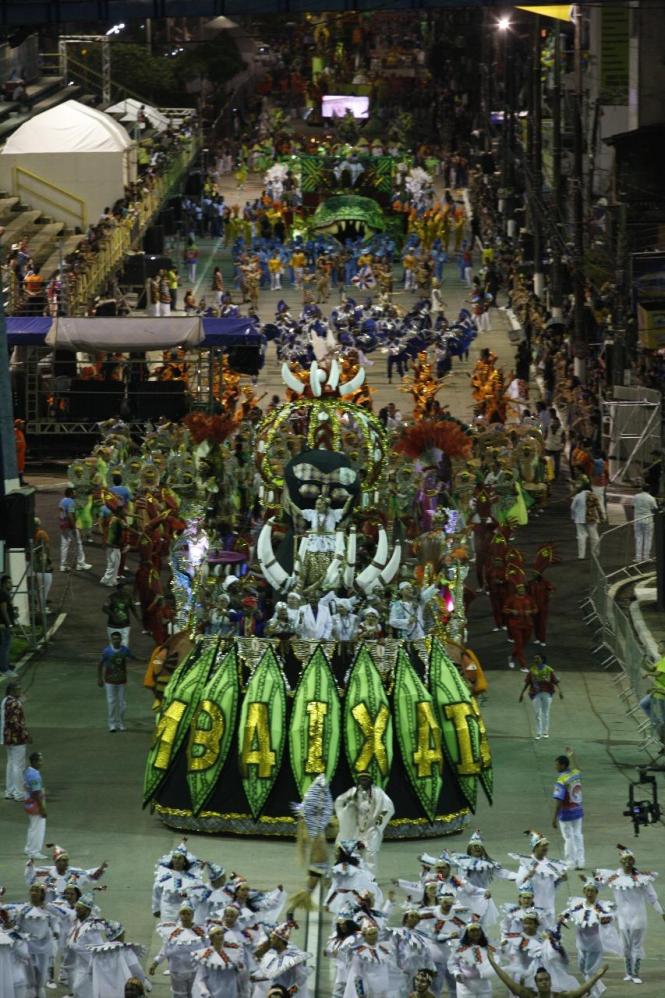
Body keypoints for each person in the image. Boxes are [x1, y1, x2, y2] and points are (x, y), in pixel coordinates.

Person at [593, 844, 665, 984]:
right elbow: (598, 887)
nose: (628, 862)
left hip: (638, 916)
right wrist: (589, 881)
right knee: (625, 946)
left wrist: (661, 912)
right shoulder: (614, 877)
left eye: (630, 859)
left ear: (634, 861)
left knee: (636, 946)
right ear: (621, 861)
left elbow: (652, 897)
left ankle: (636, 973)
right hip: (622, 917)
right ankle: (628, 973)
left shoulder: (642, 878)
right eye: (625, 859)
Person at [333, 772, 395, 873]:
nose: (363, 781)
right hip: (356, 828)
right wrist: (348, 805)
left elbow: (389, 807)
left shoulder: (378, 793)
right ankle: (355, 876)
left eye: (366, 779)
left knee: (370, 853)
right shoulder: (353, 792)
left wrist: (381, 817)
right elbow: (339, 802)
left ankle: (371, 879)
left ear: (370, 780)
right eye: (361, 779)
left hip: (371, 828)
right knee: (354, 851)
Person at [487, 952, 608, 997]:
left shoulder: (560, 997)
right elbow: (509, 981)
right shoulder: (529, 995)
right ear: (536, 983)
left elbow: (580, 991)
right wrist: (493, 963)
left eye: (546, 979)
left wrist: (597, 976)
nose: (544, 982)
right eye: (540, 980)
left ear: (550, 982)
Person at [97, 631, 138, 733]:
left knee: (122, 703)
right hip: (109, 681)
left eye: (118, 638)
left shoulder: (125, 650)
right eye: (114, 639)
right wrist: (99, 678)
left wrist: (147, 660)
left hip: (121, 680)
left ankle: (121, 722)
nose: (116, 640)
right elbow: (100, 664)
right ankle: (112, 724)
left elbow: (133, 657)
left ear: (121, 640)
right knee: (111, 702)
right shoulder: (106, 651)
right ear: (111, 640)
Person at [552, 748, 584, 870]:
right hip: (578, 809)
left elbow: (559, 800)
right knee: (578, 835)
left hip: (566, 813)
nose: (555, 767)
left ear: (563, 765)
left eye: (557, 765)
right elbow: (578, 767)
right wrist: (572, 756)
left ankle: (570, 862)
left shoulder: (561, 780)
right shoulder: (575, 774)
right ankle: (580, 862)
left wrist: (554, 817)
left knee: (568, 837)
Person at [519, 656, 562, 739]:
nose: (535, 660)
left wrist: (560, 691)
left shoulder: (549, 670)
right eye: (535, 658)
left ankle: (545, 732)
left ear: (542, 660)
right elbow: (527, 682)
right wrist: (521, 694)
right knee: (537, 713)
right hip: (535, 693)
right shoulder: (532, 670)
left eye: (538, 658)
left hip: (547, 693)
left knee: (545, 713)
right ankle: (538, 733)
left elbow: (555, 681)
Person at [2, 681, 31, 800]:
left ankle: (10, 791)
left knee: (11, 763)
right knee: (19, 765)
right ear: (11, 691)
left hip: (7, 737)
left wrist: (21, 701)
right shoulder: (14, 704)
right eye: (17, 690)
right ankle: (19, 793)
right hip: (16, 737)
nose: (20, 691)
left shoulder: (6, 700)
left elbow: (13, 708)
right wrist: (26, 734)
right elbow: (15, 722)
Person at [58, 486, 92, 572]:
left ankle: (63, 565)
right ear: (71, 493)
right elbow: (70, 515)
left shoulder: (62, 501)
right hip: (69, 525)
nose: (75, 494)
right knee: (78, 543)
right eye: (74, 492)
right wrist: (74, 527)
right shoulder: (71, 502)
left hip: (62, 524)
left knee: (64, 545)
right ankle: (81, 563)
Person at [24, 750, 47, 860]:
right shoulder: (34, 775)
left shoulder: (28, 771)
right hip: (35, 805)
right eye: (40, 761)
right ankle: (35, 851)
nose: (41, 763)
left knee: (33, 827)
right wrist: (42, 808)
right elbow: (36, 793)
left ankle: (29, 848)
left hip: (28, 803)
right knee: (38, 828)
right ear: (34, 761)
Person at [570, 486, 601, 560]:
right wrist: (601, 517)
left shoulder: (578, 495)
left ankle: (581, 555)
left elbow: (572, 507)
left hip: (579, 519)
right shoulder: (593, 495)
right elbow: (598, 507)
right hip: (591, 518)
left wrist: (573, 516)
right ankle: (595, 553)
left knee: (581, 536)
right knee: (594, 537)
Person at [632, 481, 658, 562]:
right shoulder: (651, 498)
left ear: (642, 489)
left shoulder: (636, 496)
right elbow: (655, 508)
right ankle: (646, 557)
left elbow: (633, 506)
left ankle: (638, 557)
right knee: (648, 538)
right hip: (648, 520)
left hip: (637, 519)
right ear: (649, 490)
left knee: (638, 538)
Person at [33, 518, 53, 615]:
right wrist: (48, 561)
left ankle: (38, 607)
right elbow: (47, 549)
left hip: (32, 567)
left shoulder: (29, 535)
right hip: (42, 566)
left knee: (37, 590)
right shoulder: (42, 534)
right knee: (44, 590)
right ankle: (42, 609)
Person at [0, 574, 17, 678]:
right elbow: (3, 611)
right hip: (4, 625)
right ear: (4, 584)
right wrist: (9, 624)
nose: (12, 584)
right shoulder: (3, 594)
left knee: (4, 646)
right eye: (9, 583)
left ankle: (5, 665)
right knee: (4, 647)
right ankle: (4, 669)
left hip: (4, 624)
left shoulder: (4, 594)